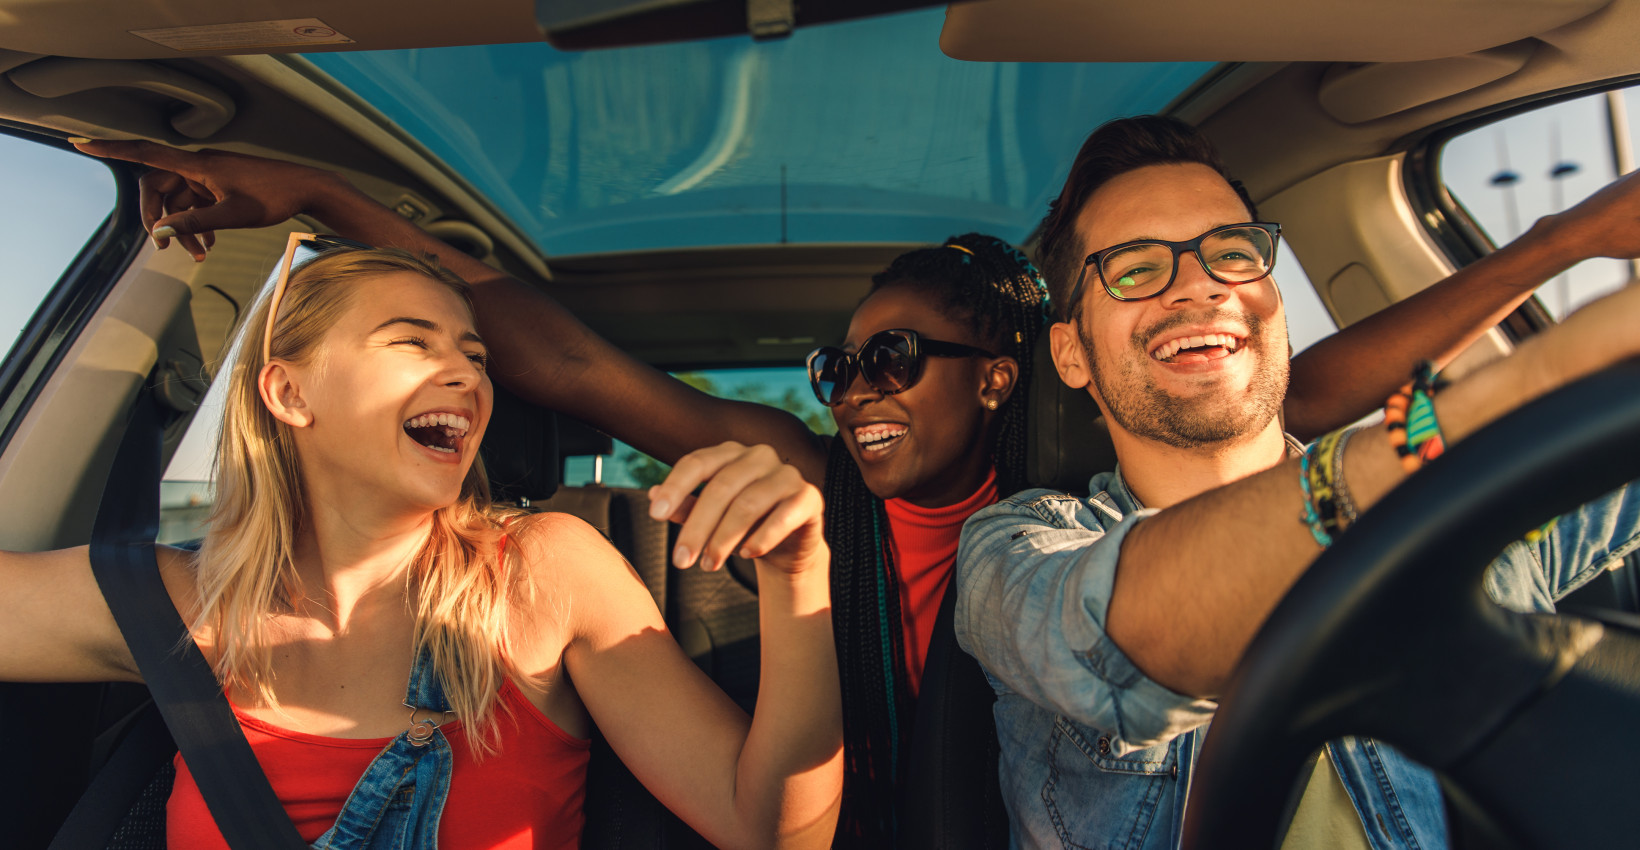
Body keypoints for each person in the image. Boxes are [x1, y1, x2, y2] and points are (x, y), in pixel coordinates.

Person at [68, 130, 1640, 844]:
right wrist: (329, 202)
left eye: (896, 360)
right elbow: (582, 371)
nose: (856, 392)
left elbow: (1306, 400)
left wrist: (1565, 255)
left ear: (1007, 375)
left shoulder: (1093, 470)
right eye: (839, 366)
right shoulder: (857, 498)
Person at [0, 242, 842, 849]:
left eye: (475, 355)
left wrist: (800, 575)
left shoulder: (544, 572)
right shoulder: (177, 601)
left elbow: (769, 832)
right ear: (289, 393)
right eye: (414, 342)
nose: (469, 376)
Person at [953, 115, 1640, 849]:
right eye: (1136, 268)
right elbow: (1115, 635)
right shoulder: (1017, 546)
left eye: (1232, 252)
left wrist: (1564, 244)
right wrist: (1525, 386)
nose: (1200, 286)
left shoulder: (1459, 507)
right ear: (1071, 354)